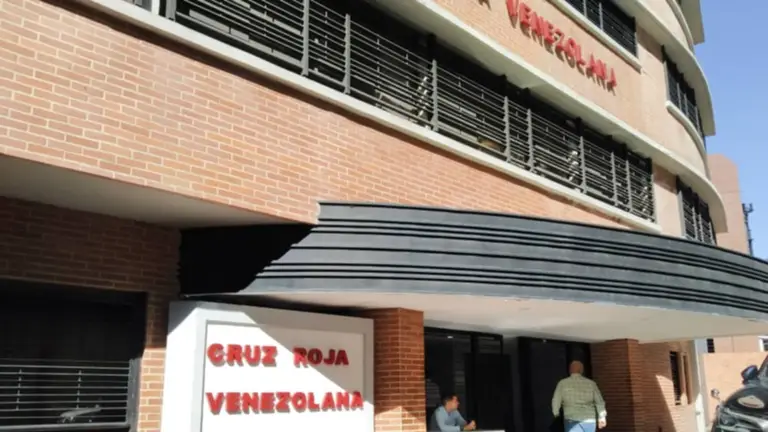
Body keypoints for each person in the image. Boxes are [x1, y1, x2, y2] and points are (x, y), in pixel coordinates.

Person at [551, 360, 607, 432]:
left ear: (570, 370)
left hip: (571, 419)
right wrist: (602, 417)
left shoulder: (562, 383)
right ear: (582, 371)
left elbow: (556, 400)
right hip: (589, 420)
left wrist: (556, 414)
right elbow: (599, 402)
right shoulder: (591, 384)